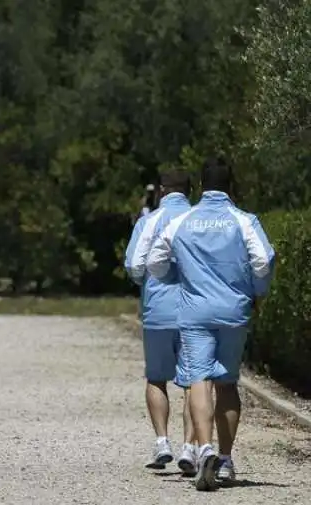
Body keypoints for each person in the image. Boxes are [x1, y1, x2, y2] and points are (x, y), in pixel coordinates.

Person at [146, 156, 275, 491]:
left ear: (201, 186)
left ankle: (204, 449)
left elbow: (154, 262)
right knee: (228, 384)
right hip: (234, 312)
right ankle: (227, 459)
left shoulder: (182, 220)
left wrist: (177, 276)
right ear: (231, 186)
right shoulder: (244, 220)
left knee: (199, 379)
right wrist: (255, 290)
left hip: (195, 312)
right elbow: (265, 259)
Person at [124, 169, 197, 475]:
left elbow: (134, 267)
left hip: (158, 310)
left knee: (156, 378)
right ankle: (191, 448)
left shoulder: (149, 220)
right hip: (195, 310)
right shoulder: (198, 218)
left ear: (162, 190)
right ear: (189, 190)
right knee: (196, 381)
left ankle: (162, 441)